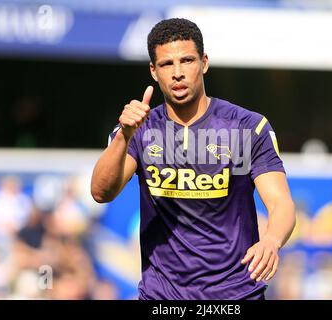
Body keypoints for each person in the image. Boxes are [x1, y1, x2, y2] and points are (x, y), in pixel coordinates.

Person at [91, 18, 295, 300]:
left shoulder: (247, 127)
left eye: (187, 60)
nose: (177, 73)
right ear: (153, 71)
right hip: (162, 298)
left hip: (235, 295)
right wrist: (124, 136)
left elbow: (281, 203)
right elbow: (101, 192)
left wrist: (271, 241)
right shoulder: (139, 129)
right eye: (166, 64)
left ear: (204, 63)